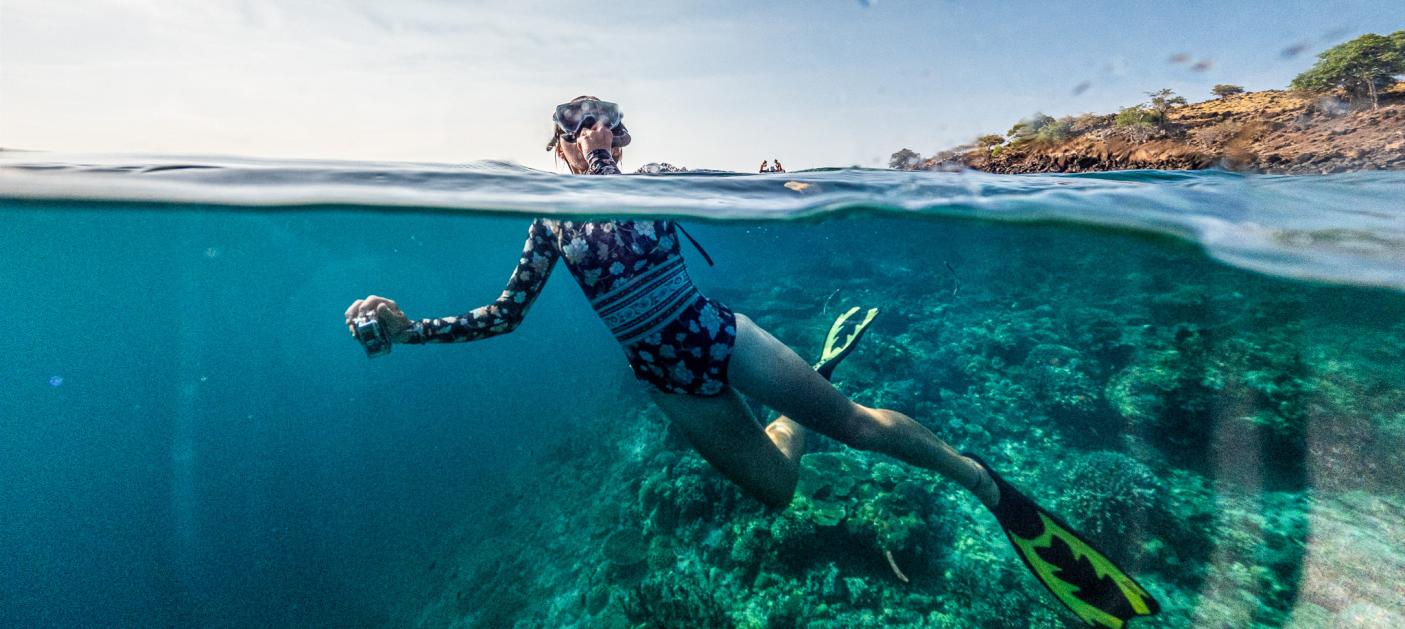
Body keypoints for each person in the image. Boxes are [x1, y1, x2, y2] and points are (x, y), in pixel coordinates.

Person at [344, 96, 1158, 627]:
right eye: (583, 120)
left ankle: (980, 480)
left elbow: (755, 189)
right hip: (667, 379)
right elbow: (504, 315)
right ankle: (794, 408)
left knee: (854, 428)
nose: (600, 130)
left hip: (718, 332)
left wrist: (796, 187)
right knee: (778, 491)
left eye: (610, 119)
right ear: (559, 140)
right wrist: (412, 329)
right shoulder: (548, 221)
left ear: (624, 137)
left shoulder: (656, 178)